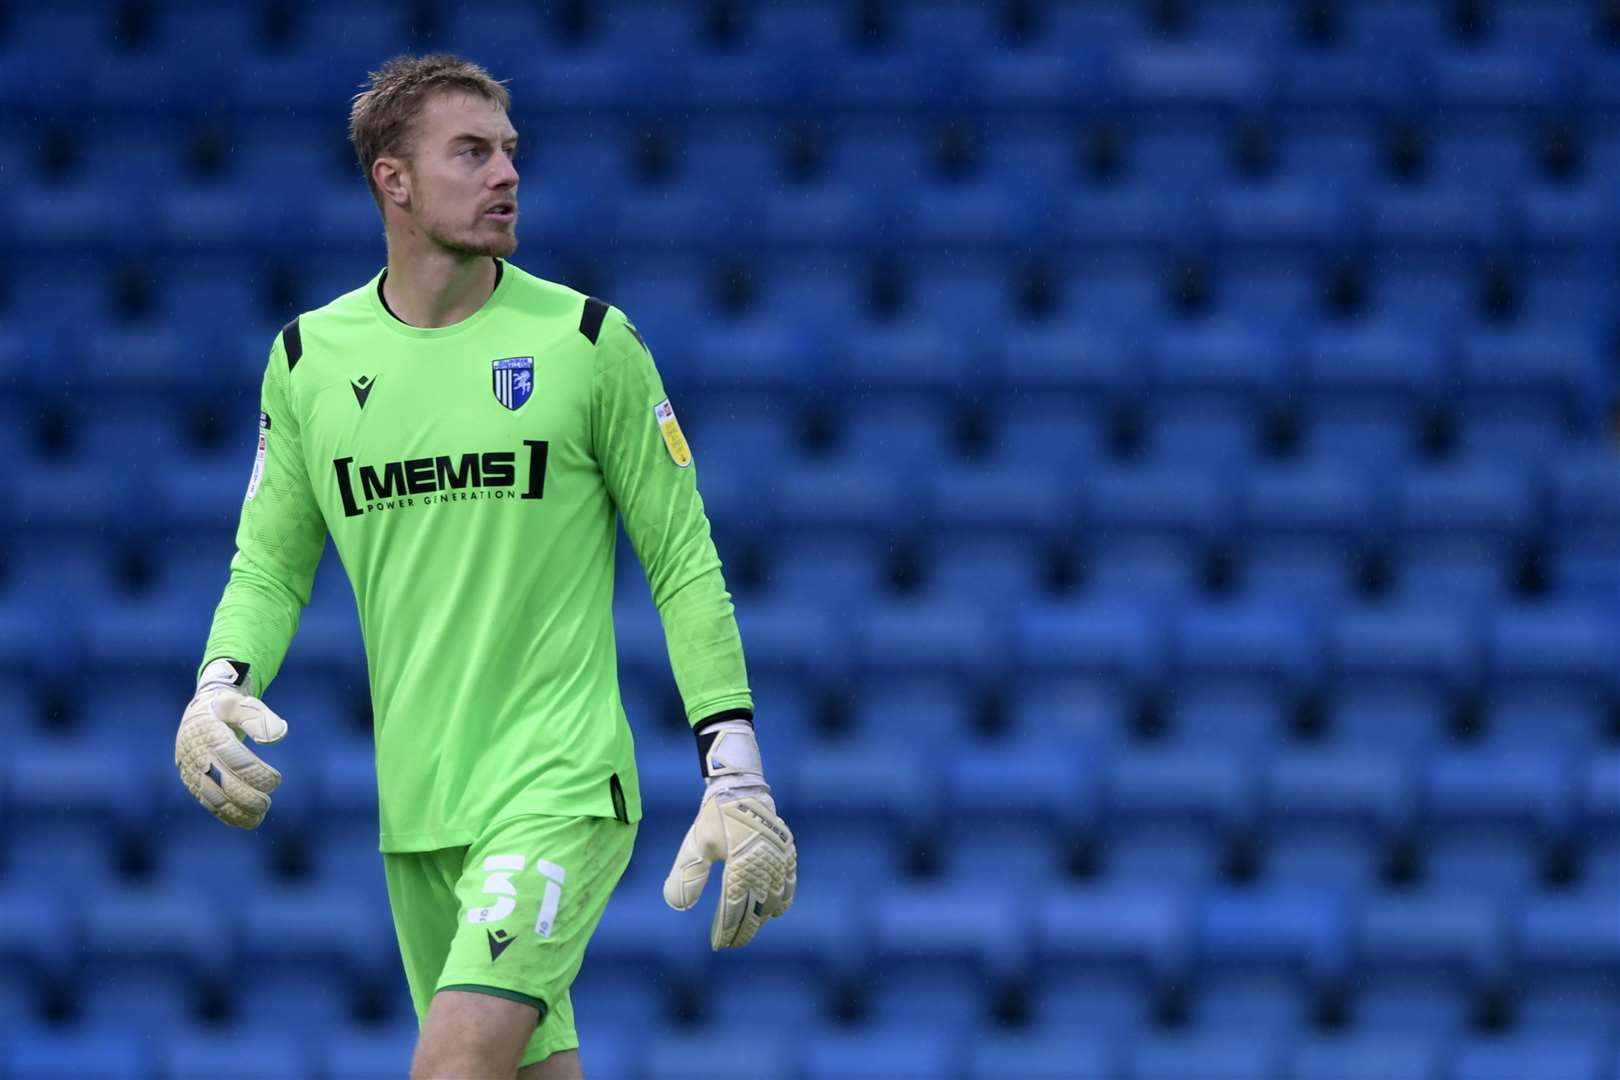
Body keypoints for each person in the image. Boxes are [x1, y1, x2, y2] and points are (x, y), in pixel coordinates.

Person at [173, 53, 796, 1080]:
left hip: (558, 786)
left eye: (510, 152)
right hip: (419, 809)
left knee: (451, 1068)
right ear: (395, 180)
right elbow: (270, 567)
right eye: (472, 152)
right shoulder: (306, 359)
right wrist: (219, 683)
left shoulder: (590, 340)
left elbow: (684, 562)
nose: (506, 174)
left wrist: (735, 770)